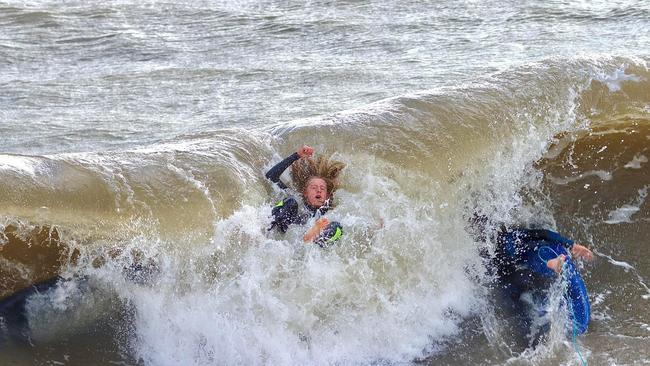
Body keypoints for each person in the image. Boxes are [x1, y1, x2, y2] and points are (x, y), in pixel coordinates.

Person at [265, 145, 345, 247]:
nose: (319, 190)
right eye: (314, 187)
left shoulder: (328, 212)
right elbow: (271, 177)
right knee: (290, 202)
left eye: (322, 188)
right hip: (284, 233)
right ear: (305, 193)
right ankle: (307, 237)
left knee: (337, 227)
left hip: (308, 247)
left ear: (327, 196)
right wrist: (296, 156)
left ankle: (312, 239)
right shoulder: (296, 198)